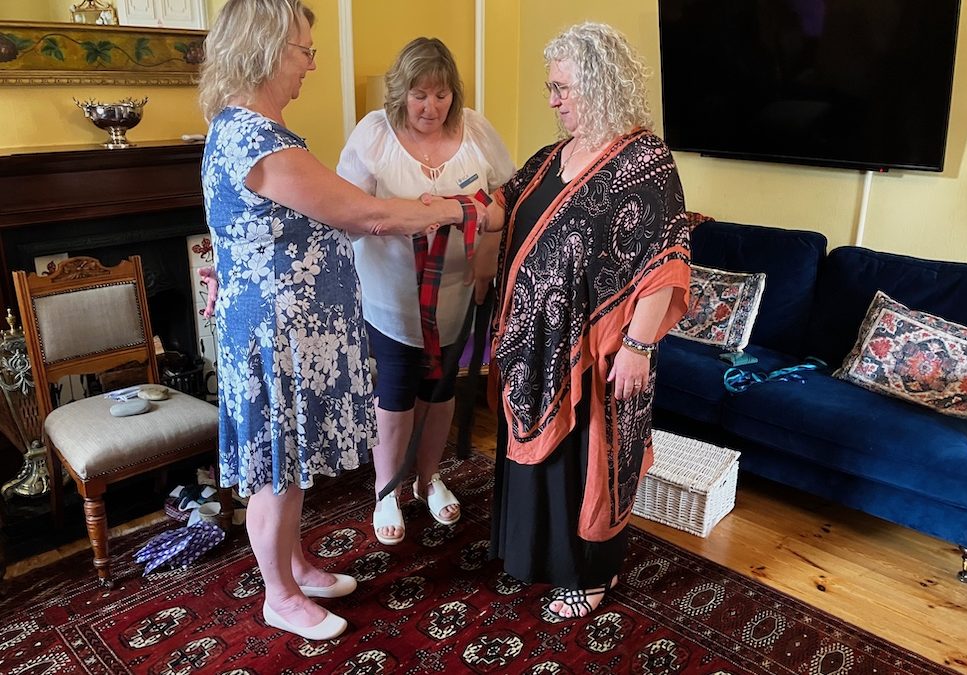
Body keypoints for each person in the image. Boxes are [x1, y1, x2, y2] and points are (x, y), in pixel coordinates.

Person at [198, 0, 483, 641]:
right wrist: (453, 210)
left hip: (288, 328)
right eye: (303, 50)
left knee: (291, 461)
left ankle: (295, 565)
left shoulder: (251, 132)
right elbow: (367, 215)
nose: (310, 64)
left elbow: (240, 226)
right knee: (276, 466)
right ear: (267, 51)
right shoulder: (254, 138)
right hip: (277, 333)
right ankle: (279, 595)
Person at [486, 22, 691, 619]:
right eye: (550, 88)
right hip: (537, 349)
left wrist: (639, 347)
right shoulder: (552, 155)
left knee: (590, 465)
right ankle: (535, 557)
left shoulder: (646, 162)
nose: (552, 101)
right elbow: (504, 206)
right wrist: (434, 210)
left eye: (561, 88)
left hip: (601, 354)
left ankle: (589, 573)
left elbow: (667, 261)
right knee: (543, 464)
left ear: (599, 85)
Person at [337, 38, 514, 545]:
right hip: (390, 296)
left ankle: (427, 478)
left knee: (440, 389)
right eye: (419, 95)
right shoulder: (373, 133)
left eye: (440, 95)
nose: (430, 107)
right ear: (401, 93)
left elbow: (506, 191)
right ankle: (386, 489)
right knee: (395, 392)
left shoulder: (475, 128)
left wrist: (487, 241)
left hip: (457, 292)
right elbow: (346, 210)